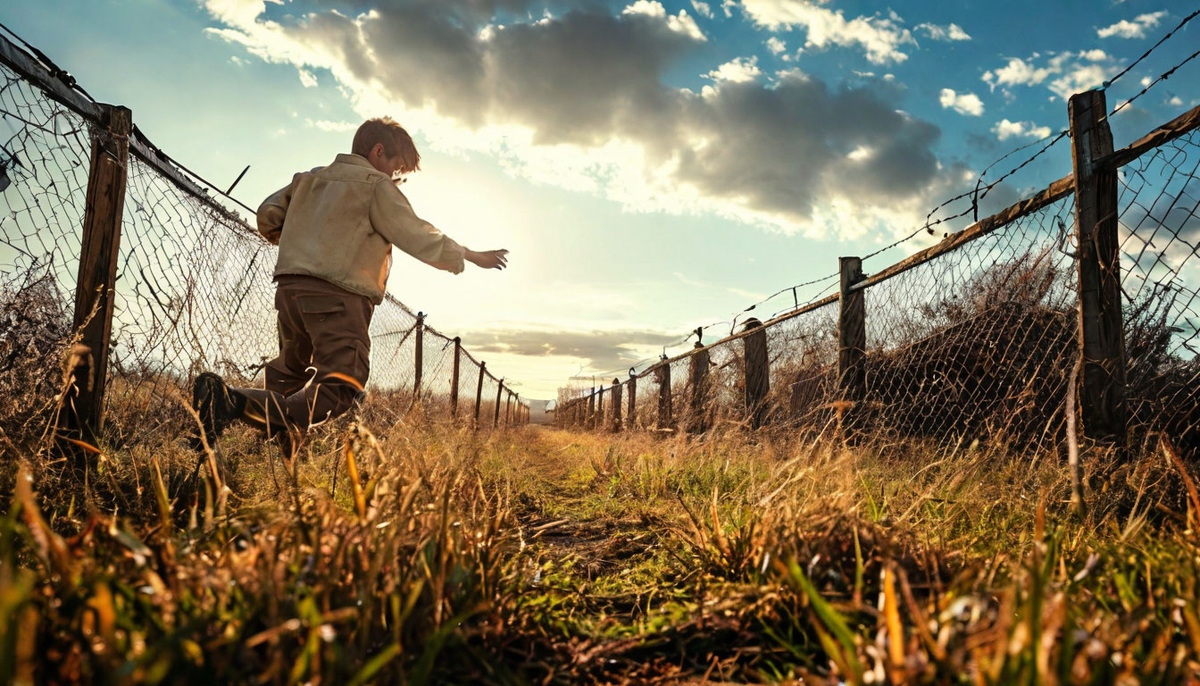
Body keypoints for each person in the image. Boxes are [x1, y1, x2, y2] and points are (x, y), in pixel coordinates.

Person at [192, 117, 508, 455]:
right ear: (378, 151)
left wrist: (300, 236)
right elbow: (415, 233)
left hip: (289, 289)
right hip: (338, 296)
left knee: (289, 373)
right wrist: (470, 256)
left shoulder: (309, 178)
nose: (393, 176)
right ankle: (230, 402)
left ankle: (286, 461)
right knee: (340, 386)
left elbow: (268, 215)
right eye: (395, 166)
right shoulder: (375, 185)